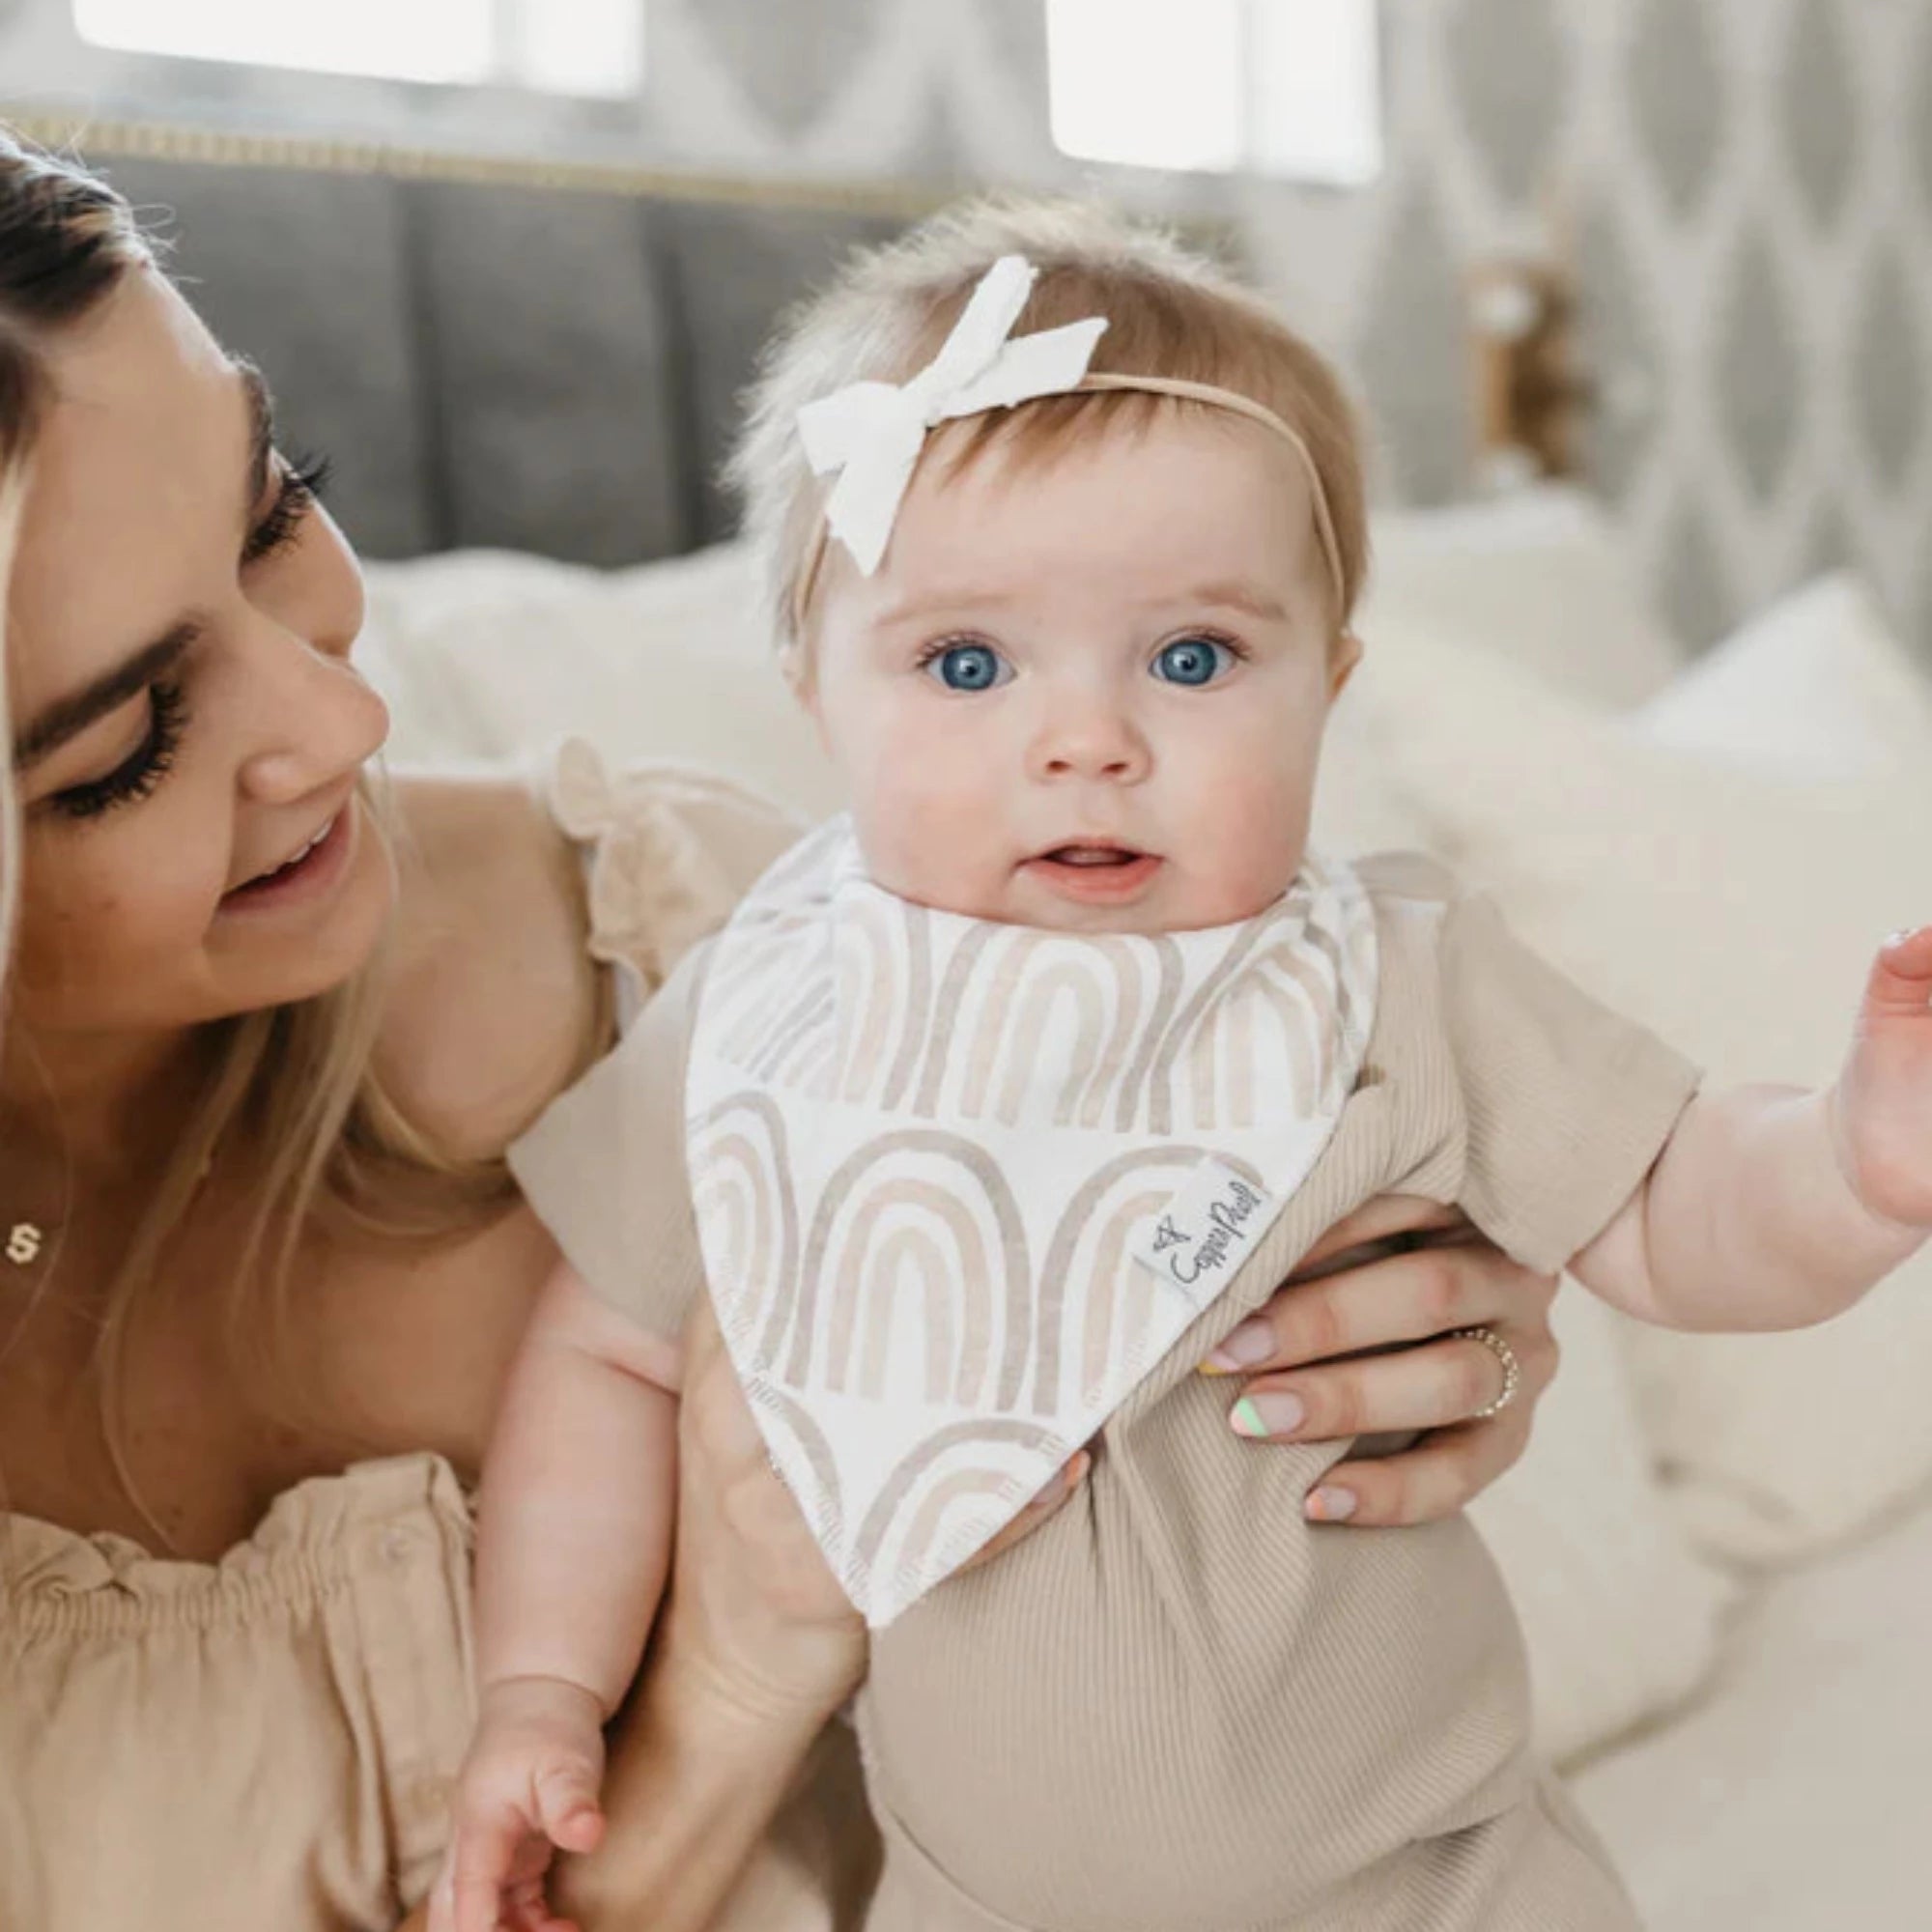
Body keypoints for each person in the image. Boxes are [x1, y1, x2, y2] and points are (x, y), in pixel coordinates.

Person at [0, 134, 1572, 1932]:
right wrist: (733, 1682)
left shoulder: (711, 947)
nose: (343, 713)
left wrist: (1434, 1328)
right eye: (122, 744)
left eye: (276, 510)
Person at [449, 202, 1932, 1932]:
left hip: (1437, 1881)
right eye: (968, 662)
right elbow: (606, 1358)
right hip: (972, 1895)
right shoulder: (763, 1017)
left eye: (1193, 657)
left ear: (1329, 687)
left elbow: (1678, 1206)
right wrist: (539, 1691)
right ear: (811, 690)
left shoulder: (1384, 978)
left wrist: (1847, 1164)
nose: (1090, 740)